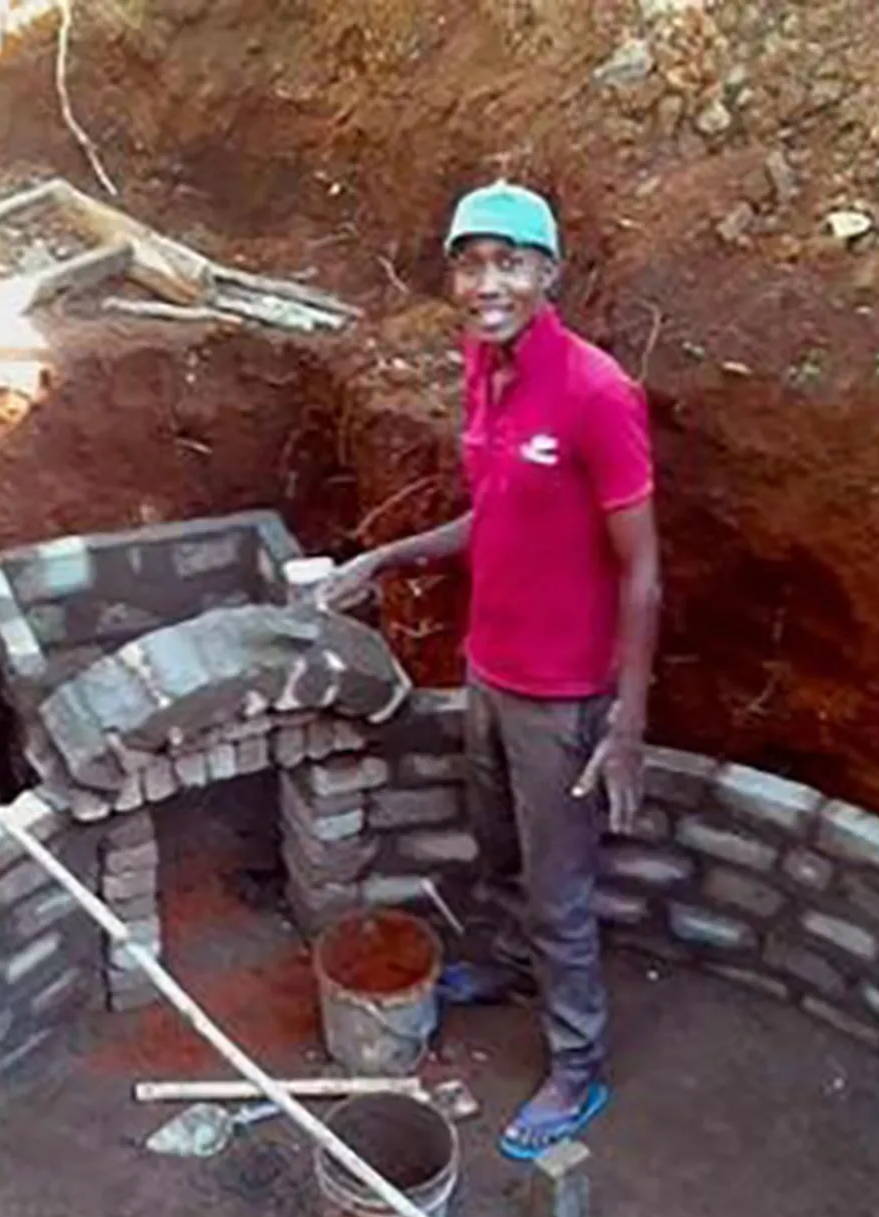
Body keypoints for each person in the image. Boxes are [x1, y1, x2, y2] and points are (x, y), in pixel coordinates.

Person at [319, 181, 662, 1161]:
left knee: (560, 887)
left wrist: (627, 720)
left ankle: (576, 1064)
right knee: (496, 845)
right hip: (491, 670)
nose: (485, 282)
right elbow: (501, 517)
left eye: (509, 262)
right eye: (469, 263)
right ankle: (510, 966)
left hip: (562, 697)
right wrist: (385, 558)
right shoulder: (484, 369)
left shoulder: (597, 394)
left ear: (548, 274)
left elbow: (642, 569)